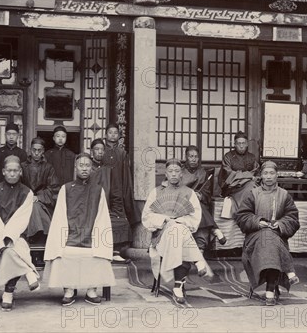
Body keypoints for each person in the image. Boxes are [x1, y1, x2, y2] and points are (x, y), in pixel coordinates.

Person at [44, 153, 115, 306]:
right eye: (81, 165)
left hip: (91, 236)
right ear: (75, 168)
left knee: (97, 255)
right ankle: (69, 290)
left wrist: (98, 240)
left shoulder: (98, 190)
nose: (84, 169)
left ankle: (91, 290)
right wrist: (62, 239)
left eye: (87, 166)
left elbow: (102, 218)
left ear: (92, 168)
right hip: (70, 237)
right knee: (64, 254)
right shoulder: (66, 188)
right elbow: (60, 217)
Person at [142, 159, 209, 305]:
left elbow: (194, 219)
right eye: (170, 171)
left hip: (179, 235)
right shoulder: (156, 192)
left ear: (181, 174)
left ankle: (178, 288)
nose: (173, 174)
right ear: (165, 173)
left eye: (177, 171)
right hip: (161, 237)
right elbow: (146, 217)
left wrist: (177, 221)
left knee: (177, 230)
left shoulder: (189, 193)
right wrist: (165, 219)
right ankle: (197, 261)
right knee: (176, 230)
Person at [235, 161, 300, 306]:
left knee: (270, 237)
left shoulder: (284, 195)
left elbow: (293, 217)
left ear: (277, 175)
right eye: (265, 173)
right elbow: (242, 216)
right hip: (255, 238)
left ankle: (270, 289)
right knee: (267, 235)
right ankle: (287, 273)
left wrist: (281, 224)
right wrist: (257, 222)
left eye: (272, 173)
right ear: (261, 176)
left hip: (277, 236)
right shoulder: (252, 194)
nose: (268, 176)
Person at [0, 156, 40, 311]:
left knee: (12, 249)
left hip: (18, 235)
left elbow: (22, 218)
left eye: (16, 171)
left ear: (21, 172)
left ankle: (8, 292)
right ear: (3, 172)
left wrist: (9, 237)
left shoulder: (27, 192)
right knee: (9, 251)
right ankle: (28, 271)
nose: (12, 174)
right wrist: (1, 239)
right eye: (9, 170)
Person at [103, 124, 139, 262]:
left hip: (118, 190)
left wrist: (126, 192)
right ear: (106, 134)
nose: (112, 135)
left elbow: (126, 175)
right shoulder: (101, 151)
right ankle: (103, 249)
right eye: (110, 132)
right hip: (103, 190)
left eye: (115, 133)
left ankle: (116, 251)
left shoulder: (122, 153)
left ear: (119, 136)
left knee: (119, 220)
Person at [181, 145, 227, 251]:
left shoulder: (203, 172)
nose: (193, 159)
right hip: (182, 203)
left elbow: (207, 192)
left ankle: (200, 247)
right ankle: (214, 229)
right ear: (186, 157)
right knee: (197, 207)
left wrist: (201, 196)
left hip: (199, 203)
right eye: (191, 156)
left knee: (199, 206)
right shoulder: (180, 172)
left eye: (196, 156)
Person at [21, 137, 61, 243]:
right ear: (30, 150)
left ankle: (35, 237)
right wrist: (29, 197)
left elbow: (54, 188)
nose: (36, 153)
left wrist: (38, 197)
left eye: (39, 150)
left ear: (43, 151)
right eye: (34, 150)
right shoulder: (23, 167)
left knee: (36, 206)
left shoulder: (48, 168)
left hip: (43, 202)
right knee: (33, 207)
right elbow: (18, 187)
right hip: (25, 202)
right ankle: (40, 236)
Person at [217, 131, 259, 212]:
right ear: (235, 144)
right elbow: (228, 174)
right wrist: (247, 176)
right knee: (250, 187)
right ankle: (244, 213)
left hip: (248, 185)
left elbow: (256, 173)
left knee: (252, 186)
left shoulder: (252, 157)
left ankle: (246, 213)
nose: (241, 146)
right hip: (232, 187)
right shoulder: (228, 156)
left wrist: (244, 178)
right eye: (239, 143)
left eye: (243, 143)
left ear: (247, 144)